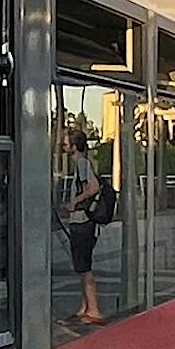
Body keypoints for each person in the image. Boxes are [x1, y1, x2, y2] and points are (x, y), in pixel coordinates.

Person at [63, 128, 106, 324]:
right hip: (80, 221)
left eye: (66, 142)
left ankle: (94, 310)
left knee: (84, 267)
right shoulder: (80, 164)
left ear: (74, 145)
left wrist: (75, 202)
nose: (63, 145)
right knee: (81, 266)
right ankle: (85, 307)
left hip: (82, 222)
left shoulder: (82, 164)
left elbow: (93, 187)